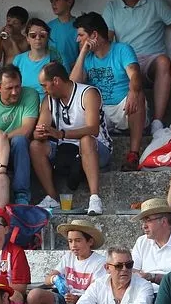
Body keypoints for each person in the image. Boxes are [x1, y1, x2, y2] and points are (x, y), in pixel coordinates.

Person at [103, 0, 171, 131]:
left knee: (164, 61)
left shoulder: (156, 3)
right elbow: (106, 41)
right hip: (126, 62)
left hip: (151, 61)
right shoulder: (112, 7)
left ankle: (157, 122)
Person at [31, 61, 113, 215]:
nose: (43, 90)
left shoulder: (88, 93)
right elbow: (38, 131)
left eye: (44, 85)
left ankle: (95, 198)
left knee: (86, 140)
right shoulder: (48, 100)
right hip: (66, 150)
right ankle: (52, 198)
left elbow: (93, 129)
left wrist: (62, 134)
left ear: (56, 81)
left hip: (97, 148)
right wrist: (40, 133)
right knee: (35, 146)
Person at [70, 11, 145, 171]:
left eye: (81, 35)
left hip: (123, 108)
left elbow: (135, 74)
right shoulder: (87, 57)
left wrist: (133, 91)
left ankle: (133, 154)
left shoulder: (122, 49)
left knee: (138, 95)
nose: (77, 39)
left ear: (94, 35)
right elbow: (73, 86)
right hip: (99, 113)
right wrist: (82, 53)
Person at [29, 219, 108, 304]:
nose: (73, 246)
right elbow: (47, 279)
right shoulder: (68, 257)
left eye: (78, 240)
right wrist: (55, 279)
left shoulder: (99, 262)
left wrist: (78, 299)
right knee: (34, 295)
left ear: (90, 241)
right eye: (70, 241)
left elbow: (96, 294)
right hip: (65, 301)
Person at [131, 198, 171, 292]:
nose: (144, 226)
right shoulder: (142, 241)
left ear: (164, 221)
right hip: (144, 293)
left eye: (148, 220)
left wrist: (152, 276)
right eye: (143, 221)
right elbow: (132, 270)